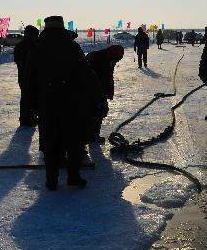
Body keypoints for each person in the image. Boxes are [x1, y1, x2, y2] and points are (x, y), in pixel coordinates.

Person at [25, 15, 107, 190]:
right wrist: (98, 98)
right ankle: (73, 176)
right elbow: (88, 75)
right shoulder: (72, 47)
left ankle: (52, 180)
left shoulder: (37, 49)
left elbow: (29, 81)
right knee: (74, 141)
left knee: (50, 141)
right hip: (73, 103)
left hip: (46, 104)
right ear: (62, 29)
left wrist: (31, 105)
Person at [86, 44, 125, 141]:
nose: (117, 61)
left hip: (100, 91)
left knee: (101, 111)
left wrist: (109, 91)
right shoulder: (95, 58)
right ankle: (88, 135)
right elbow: (90, 77)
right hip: (90, 91)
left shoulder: (109, 60)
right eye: (117, 59)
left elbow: (108, 77)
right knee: (93, 112)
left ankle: (94, 134)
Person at [14, 25, 40, 126]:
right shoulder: (27, 46)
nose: (36, 37)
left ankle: (28, 117)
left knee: (28, 96)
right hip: (27, 75)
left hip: (26, 75)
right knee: (28, 97)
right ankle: (27, 118)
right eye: (35, 35)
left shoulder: (31, 45)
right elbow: (19, 61)